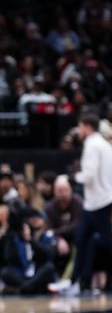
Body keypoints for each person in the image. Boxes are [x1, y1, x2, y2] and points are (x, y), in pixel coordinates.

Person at [61, 113, 112, 293]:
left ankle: (77, 281)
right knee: (82, 239)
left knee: (103, 241)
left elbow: (89, 175)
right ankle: (77, 281)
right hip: (101, 200)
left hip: (98, 201)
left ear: (88, 127)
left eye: (80, 126)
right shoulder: (105, 145)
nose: (78, 130)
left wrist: (74, 177)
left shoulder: (92, 145)